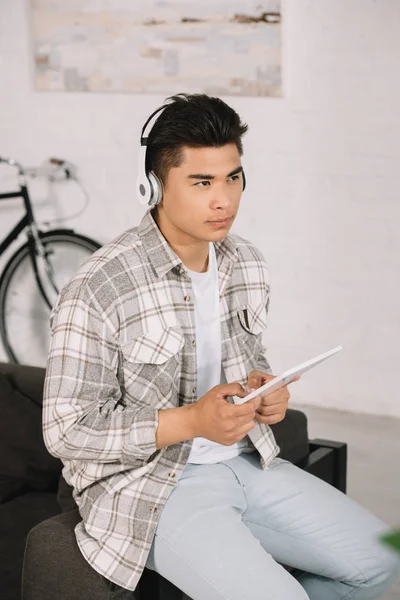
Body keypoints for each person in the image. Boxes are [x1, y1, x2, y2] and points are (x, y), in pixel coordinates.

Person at [43, 93, 399, 600]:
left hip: (245, 462)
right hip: (152, 487)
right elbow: (66, 432)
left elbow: (250, 361)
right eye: (202, 182)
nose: (224, 200)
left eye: (233, 177)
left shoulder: (245, 262)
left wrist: (265, 393)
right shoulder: (100, 286)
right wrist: (191, 421)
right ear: (154, 187)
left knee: (385, 556)